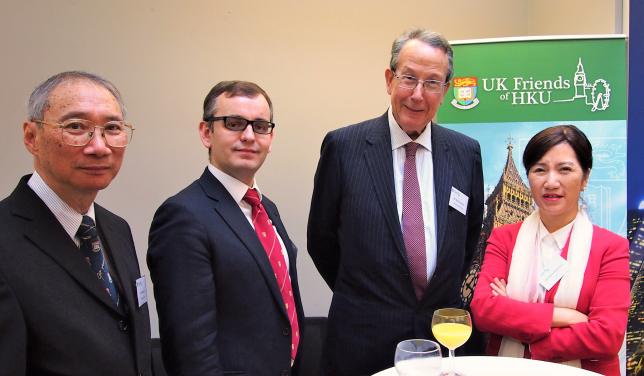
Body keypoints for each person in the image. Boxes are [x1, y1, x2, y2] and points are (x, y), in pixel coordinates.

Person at [307, 27, 484, 375]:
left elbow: (467, 242)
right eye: (408, 78)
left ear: (445, 90)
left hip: (440, 341)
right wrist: (369, 297)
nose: (418, 95)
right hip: (362, 341)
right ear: (389, 80)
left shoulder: (466, 153)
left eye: (432, 82)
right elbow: (321, 242)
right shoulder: (344, 147)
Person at [148, 81, 304, 376]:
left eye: (260, 126)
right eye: (234, 124)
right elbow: (189, 348)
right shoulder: (182, 215)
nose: (248, 136)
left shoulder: (265, 207)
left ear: (270, 138)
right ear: (206, 133)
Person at [0, 71, 151, 375]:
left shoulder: (116, 228)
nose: (99, 146)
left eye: (112, 128)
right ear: (32, 137)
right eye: (76, 127)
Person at [470, 125, 630, 376]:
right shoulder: (504, 238)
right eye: (540, 170)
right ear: (529, 177)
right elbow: (483, 310)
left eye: (565, 169)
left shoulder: (610, 247)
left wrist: (517, 323)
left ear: (585, 178)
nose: (551, 181)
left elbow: (607, 337)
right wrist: (564, 316)